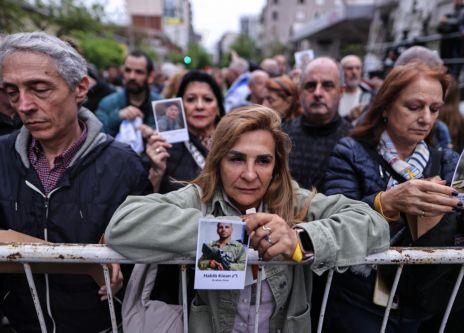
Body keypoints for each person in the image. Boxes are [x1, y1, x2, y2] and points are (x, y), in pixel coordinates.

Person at [105, 105, 390, 333]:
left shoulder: (294, 200)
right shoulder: (200, 196)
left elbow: (372, 223)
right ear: (218, 161)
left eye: (263, 161)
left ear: (277, 166)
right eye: (237, 159)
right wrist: (229, 236)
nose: (250, 175)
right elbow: (124, 223)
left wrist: (300, 239)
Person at [323, 61, 464, 333]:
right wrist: (388, 202)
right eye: (414, 107)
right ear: (385, 106)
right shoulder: (351, 152)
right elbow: (333, 217)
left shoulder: (448, 160)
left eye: (435, 109)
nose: (426, 118)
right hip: (359, 303)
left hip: (425, 305)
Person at [0, 32, 150, 332]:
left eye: (40, 89)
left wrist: (117, 251)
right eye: (12, 91)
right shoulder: (2, 155)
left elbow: (142, 257)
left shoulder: (124, 164)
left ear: (80, 88)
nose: (24, 105)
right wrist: (88, 263)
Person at [146, 70, 225, 193]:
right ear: (179, 105)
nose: (199, 106)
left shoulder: (232, 140)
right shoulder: (166, 145)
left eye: (208, 99)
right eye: (191, 99)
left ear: (218, 106)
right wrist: (156, 171)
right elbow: (149, 201)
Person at [282, 57, 351, 193]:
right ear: (300, 91)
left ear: (341, 91)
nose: (318, 93)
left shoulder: (355, 140)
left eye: (327, 85)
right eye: (311, 85)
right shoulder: (282, 136)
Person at [96, 50, 161, 138]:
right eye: (128, 70)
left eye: (139, 72)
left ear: (150, 77)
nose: (132, 76)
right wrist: (117, 117)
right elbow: (98, 138)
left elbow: (173, 142)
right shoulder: (107, 104)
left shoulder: (161, 105)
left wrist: (153, 134)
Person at [338, 55, 373, 122]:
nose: (354, 72)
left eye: (358, 68)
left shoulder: (369, 95)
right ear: (341, 71)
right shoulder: (335, 96)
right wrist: (348, 118)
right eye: (349, 68)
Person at [437, 0, 464, 78]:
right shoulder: (450, 12)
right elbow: (440, 28)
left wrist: (446, 21)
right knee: (445, 65)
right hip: (446, 45)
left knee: (454, 67)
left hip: (457, 45)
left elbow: (459, 22)